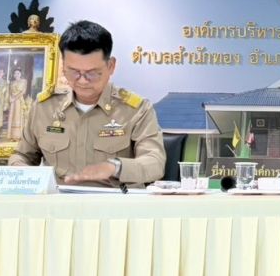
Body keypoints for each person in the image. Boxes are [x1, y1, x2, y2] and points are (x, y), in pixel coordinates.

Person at [9, 20, 165, 186]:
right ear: (63, 66)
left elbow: (155, 163)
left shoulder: (136, 110)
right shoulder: (44, 107)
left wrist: (116, 167)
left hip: (115, 200)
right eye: (74, 72)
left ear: (111, 66)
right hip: (59, 200)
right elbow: (22, 155)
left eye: (92, 73)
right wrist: (19, 169)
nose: (82, 81)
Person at [7, 66, 29, 141]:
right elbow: (10, 92)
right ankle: (12, 135)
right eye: (15, 73)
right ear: (13, 75)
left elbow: (23, 92)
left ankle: (19, 136)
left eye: (18, 73)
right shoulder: (12, 82)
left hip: (19, 101)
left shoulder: (24, 81)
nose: (16, 75)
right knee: (12, 117)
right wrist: (10, 98)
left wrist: (14, 98)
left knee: (18, 116)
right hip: (12, 102)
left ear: (20, 74)